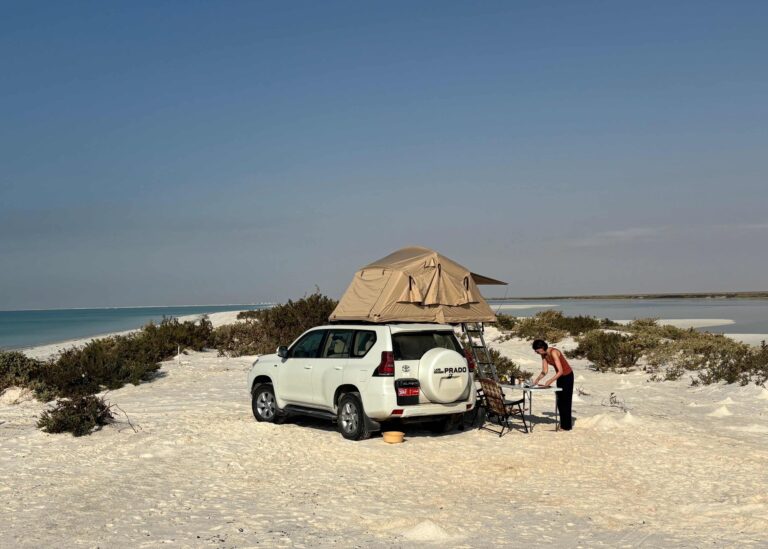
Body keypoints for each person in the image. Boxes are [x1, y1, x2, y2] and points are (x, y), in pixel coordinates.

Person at [531, 339, 574, 431]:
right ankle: (563, 424)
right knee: (560, 401)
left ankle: (566, 426)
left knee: (566, 401)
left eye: (537, 350)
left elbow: (560, 371)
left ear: (542, 347)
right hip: (560, 377)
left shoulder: (553, 352)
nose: (536, 352)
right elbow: (544, 370)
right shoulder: (543, 354)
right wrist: (537, 380)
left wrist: (550, 381)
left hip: (567, 376)